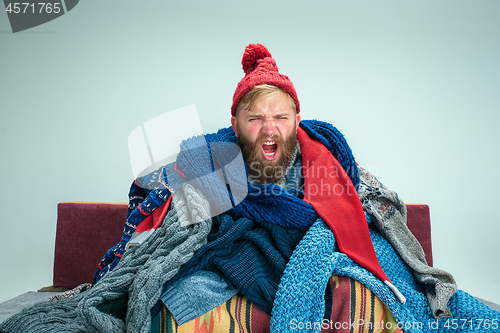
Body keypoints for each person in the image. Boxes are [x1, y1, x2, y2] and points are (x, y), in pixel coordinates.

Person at [1, 44, 499, 333]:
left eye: (280, 118)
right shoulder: (209, 158)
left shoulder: (328, 162)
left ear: (296, 121)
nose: (268, 129)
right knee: (178, 293)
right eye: (255, 117)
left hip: (311, 256)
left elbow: (374, 214)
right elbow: (168, 225)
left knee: (357, 290)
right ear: (235, 122)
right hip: (227, 262)